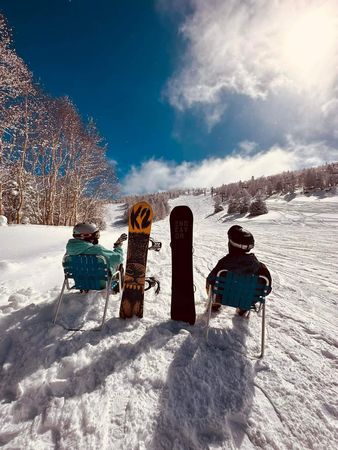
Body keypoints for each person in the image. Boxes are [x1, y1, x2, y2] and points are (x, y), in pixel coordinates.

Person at [206, 225, 272, 315]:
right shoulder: (260, 267)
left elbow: (211, 279)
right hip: (247, 300)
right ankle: (243, 307)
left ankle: (215, 304)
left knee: (210, 281)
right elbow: (266, 290)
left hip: (224, 297)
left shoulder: (223, 263)